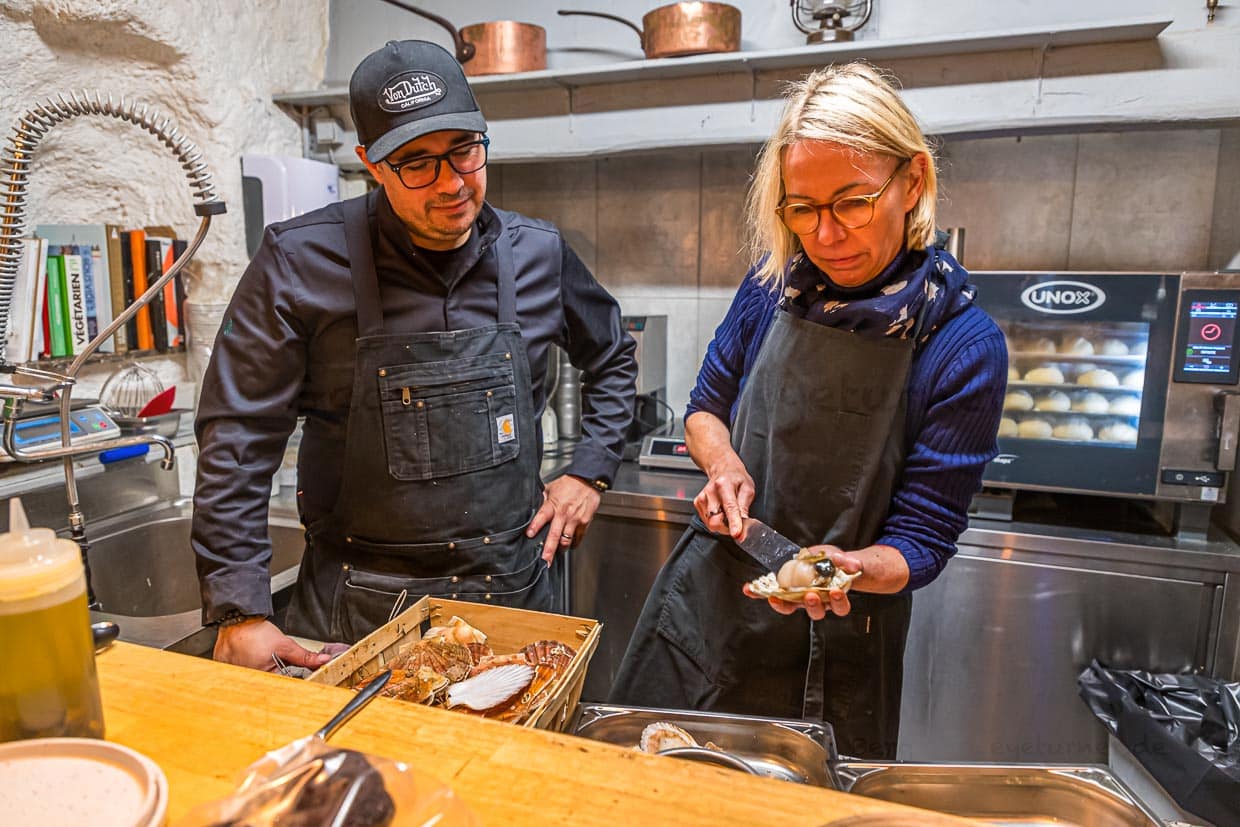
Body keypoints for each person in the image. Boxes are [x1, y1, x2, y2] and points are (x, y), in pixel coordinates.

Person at [192, 40, 638, 672]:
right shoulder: (298, 263)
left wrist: (590, 471)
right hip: (360, 608)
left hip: (512, 594)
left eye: (465, 150)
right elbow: (238, 434)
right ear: (371, 164)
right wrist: (239, 609)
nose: (452, 183)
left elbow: (613, 357)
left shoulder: (539, 252)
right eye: (417, 164)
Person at [609, 62, 1006, 759]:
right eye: (802, 208)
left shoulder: (962, 346)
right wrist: (723, 464)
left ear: (912, 181)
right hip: (708, 610)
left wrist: (848, 567)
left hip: (843, 640)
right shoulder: (771, 287)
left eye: (852, 203)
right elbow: (705, 408)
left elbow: (924, 538)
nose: (824, 235)